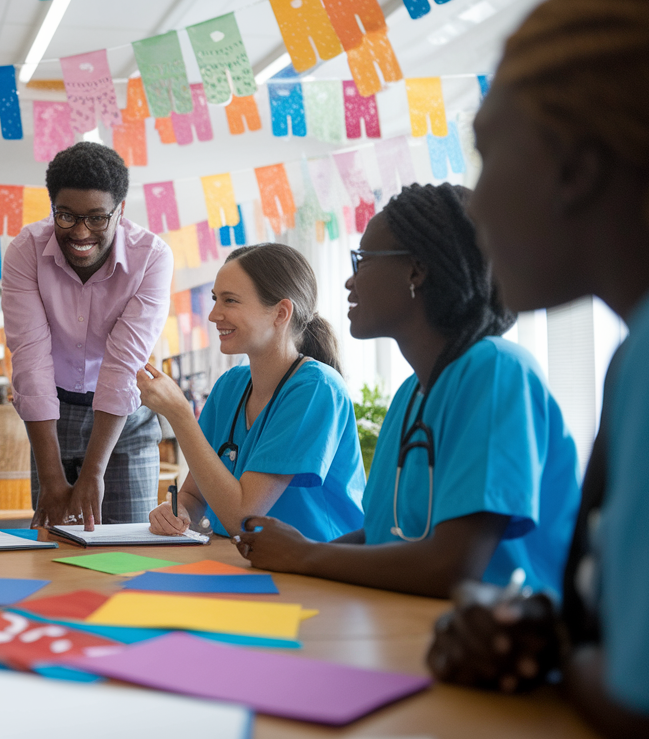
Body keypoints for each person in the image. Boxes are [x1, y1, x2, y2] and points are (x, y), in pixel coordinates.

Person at [427, 0, 649, 734]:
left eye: (489, 155)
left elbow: (640, 704)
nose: (478, 201)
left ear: (577, 168)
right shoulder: (638, 354)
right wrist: (555, 635)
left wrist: (552, 659)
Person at [232, 184, 580, 600]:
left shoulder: (497, 371)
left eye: (361, 261)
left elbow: (451, 566)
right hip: (414, 620)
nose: (349, 280)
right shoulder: (410, 395)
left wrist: (305, 555)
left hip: (506, 641)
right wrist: (292, 553)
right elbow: (385, 534)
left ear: (415, 271)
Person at [137, 244, 365, 542]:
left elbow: (243, 519)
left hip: (318, 571)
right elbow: (193, 496)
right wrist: (177, 511)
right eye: (215, 299)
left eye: (230, 301)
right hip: (241, 561)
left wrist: (179, 415)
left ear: (281, 313)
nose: (214, 314)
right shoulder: (230, 386)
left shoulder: (317, 389)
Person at [2, 142, 173, 529]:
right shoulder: (25, 251)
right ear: (52, 208)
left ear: (121, 210)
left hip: (124, 420)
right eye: (66, 216)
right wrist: (50, 478)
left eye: (97, 218)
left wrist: (95, 470)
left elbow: (123, 364)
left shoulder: (152, 258)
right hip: (52, 417)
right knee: (56, 544)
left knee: (126, 546)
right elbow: (30, 360)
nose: (81, 232)